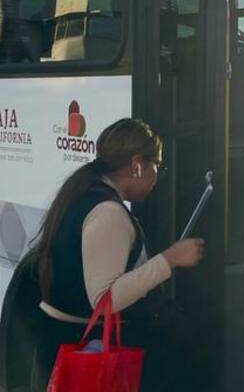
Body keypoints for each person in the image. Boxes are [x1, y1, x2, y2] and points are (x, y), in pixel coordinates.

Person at [30, 117, 205, 391]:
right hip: (91, 345)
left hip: (63, 337)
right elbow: (106, 299)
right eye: (157, 165)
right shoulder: (108, 212)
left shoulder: (82, 194)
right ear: (137, 164)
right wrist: (170, 259)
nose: (157, 175)